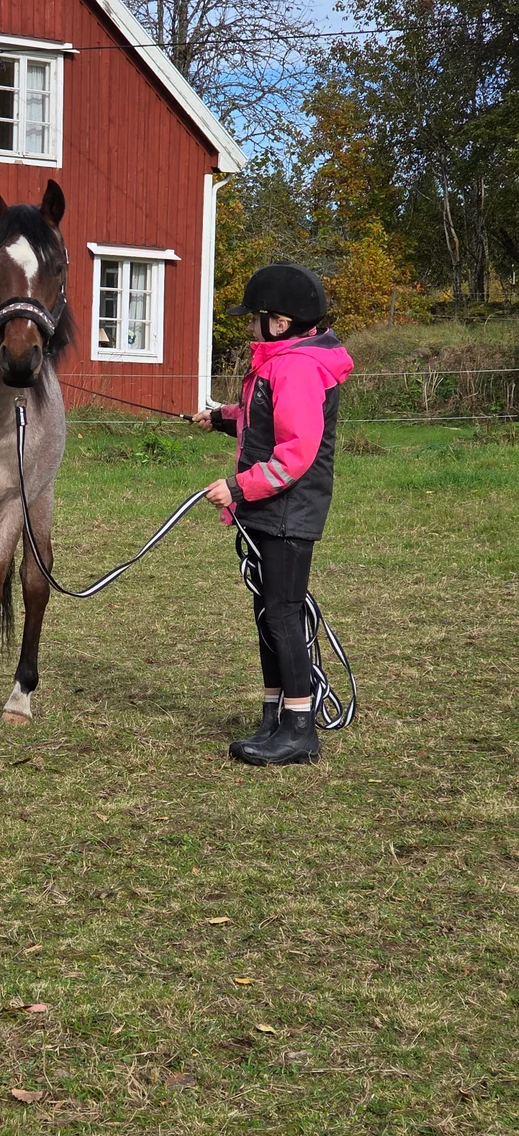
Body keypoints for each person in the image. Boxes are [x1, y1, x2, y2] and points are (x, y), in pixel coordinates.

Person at [193, 262, 353, 766]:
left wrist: (239, 486)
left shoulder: (298, 366)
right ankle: (275, 713)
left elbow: (296, 452)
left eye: (255, 316)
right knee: (269, 613)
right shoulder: (279, 362)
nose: (249, 325)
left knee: (283, 614)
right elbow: (265, 412)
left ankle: (300, 729)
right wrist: (221, 416)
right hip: (268, 510)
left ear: (280, 323)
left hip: (287, 510)